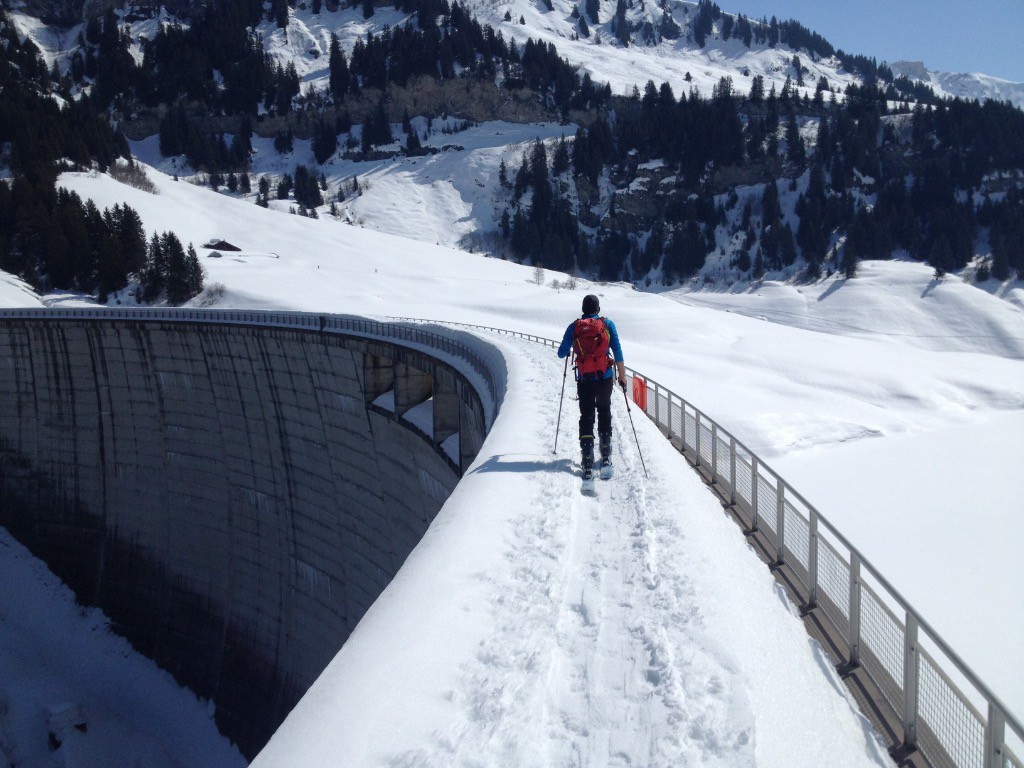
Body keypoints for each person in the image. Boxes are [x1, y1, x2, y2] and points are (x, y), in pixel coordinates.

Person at [557, 294, 626, 480]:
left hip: (584, 379)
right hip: (605, 377)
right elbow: (618, 351)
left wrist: (573, 347)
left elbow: (560, 353)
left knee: (586, 415)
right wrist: (623, 378)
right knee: (604, 410)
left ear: (583, 309)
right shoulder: (607, 325)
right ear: (598, 309)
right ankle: (605, 454)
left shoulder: (575, 327)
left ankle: (587, 458)